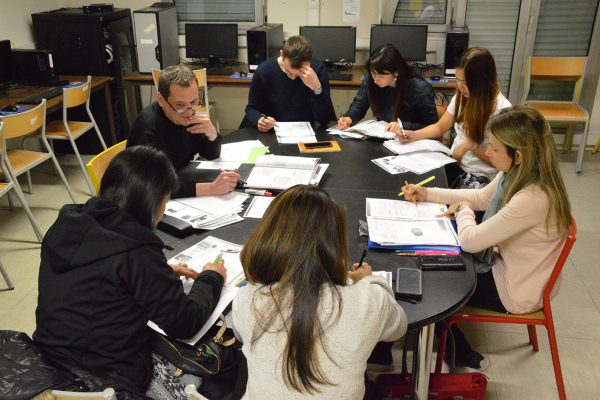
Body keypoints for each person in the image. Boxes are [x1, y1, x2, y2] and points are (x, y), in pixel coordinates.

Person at [34, 145, 228, 398]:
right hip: (107, 378)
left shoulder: (67, 225)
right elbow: (185, 323)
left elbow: (97, 277)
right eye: (166, 201)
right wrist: (211, 278)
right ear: (153, 201)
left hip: (47, 364)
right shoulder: (137, 252)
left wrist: (159, 273)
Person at [403, 106, 573, 369]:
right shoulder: (517, 173)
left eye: (494, 148)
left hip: (515, 289)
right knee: (439, 267)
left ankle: (459, 352)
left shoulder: (533, 197)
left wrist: (461, 210)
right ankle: (458, 350)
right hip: (512, 267)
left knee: (434, 287)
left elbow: (470, 239)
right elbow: (481, 198)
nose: (488, 153)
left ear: (517, 155)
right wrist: (429, 194)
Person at [232, 185, 407, 398]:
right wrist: (370, 281)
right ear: (335, 245)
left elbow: (240, 333)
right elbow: (398, 327)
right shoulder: (367, 301)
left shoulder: (248, 298)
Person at [395, 47, 512, 185]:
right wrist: (414, 135)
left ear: (483, 82)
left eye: (466, 83)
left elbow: (505, 164)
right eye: (458, 80)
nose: (460, 87)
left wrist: (472, 146)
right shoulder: (462, 97)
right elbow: (440, 127)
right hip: (455, 165)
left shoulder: (501, 111)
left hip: (480, 176)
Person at [128, 64, 239, 198]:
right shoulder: (148, 130)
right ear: (161, 100)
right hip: (148, 196)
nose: (190, 110)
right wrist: (210, 188)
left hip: (180, 177)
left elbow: (211, 154)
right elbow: (156, 186)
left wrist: (212, 135)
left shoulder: (186, 116)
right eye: (180, 104)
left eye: (194, 101)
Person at [244, 35, 336, 132]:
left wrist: (316, 88)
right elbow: (251, 108)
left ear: (309, 62)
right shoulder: (264, 71)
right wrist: (259, 120)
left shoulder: (317, 69)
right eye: (288, 71)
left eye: (298, 74)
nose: (292, 77)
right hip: (274, 131)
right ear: (282, 55)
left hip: (307, 131)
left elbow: (325, 120)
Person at [338, 43, 437, 131]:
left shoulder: (420, 89)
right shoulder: (371, 79)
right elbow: (359, 105)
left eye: (381, 76)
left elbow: (432, 127)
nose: (376, 80)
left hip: (411, 142)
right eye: (373, 73)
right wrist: (349, 117)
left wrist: (403, 126)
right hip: (384, 138)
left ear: (396, 72)